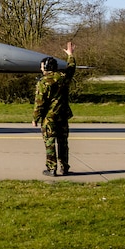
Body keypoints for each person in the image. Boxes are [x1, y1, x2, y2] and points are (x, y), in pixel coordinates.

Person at [33, 42, 76, 176]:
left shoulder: (43, 82)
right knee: (63, 143)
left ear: (46, 67)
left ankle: (52, 169)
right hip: (63, 116)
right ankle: (64, 168)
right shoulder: (64, 78)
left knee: (50, 142)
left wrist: (35, 118)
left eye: (42, 67)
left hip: (49, 117)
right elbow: (71, 68)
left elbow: (39, 102)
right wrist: (70, 55)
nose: (41, 69)